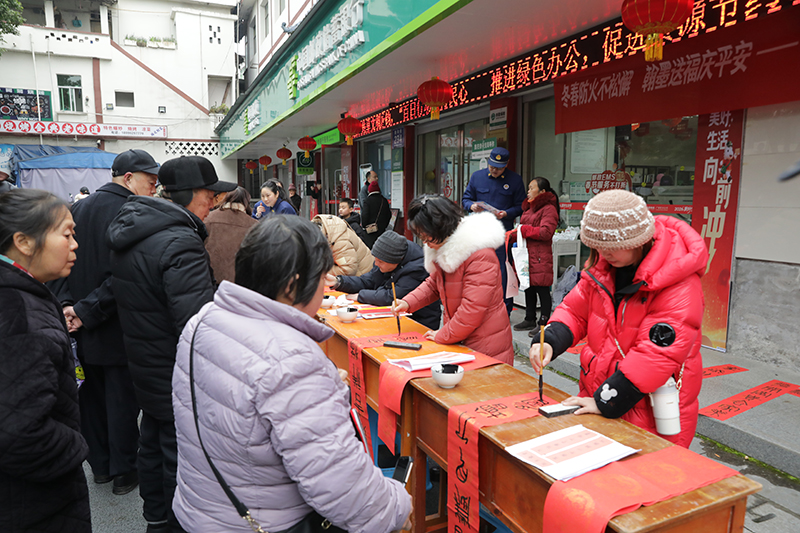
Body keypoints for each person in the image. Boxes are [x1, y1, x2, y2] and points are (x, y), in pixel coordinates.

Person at [171, 216, 412, 533]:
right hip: (265, 521)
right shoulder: (291, 359)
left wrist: (317, 391)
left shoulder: (203, 320)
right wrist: (397, 508)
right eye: (321, 279)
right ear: (291, 286)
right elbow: (341, 484)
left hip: (200, 508)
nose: (323, 289)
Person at [107, 155, 236, 533]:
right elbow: (194, 321)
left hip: (145, 358)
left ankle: (156, 517)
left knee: (152, 438)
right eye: (209, 195)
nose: (213, 203)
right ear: (189, 194)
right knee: (179, 452)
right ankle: (177, 523)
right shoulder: (180, 241)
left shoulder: (137, 230)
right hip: (175, 364)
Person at [529, 190, 707, 448]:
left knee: (644, 470)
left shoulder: (678, 284)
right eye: (597, 246)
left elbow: (655, 356)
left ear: (640, 240)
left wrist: (605, 401)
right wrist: (549, 340)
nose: (604, 253)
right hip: (601, 394)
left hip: (648, 408)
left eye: (611, 247)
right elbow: (575, 310)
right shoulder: (603, 269)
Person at [52, 149, 160, 498]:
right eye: (150, 181)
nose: (154, 188)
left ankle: (99, 466)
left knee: (91, 399)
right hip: (119, 324)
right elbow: (126, 276)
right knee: (122, 401)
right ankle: (124, 471)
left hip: (80, 327)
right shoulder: (135, 213)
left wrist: (68, 307)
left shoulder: (78, 209)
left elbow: (60, 263)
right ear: (128, 178)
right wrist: (86, 309)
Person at [0, 189, 91, 533]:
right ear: (23, 242)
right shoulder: (17, 313)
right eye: (66, 234)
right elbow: (20, 433)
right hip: (32, 505)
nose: (75, 245)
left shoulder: (23, 293)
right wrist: (74, 447)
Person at [393, 195, 514, 364]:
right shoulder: (445, 247)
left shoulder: (480, 254)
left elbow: (472, 309)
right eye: (422, 237)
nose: (425, 243)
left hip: (485, 345)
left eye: (427, 237)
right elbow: (434, 284)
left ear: (441, 227)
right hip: (461, 338)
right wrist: (407, 302)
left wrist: (444, 334)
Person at [330, 230, 441, 330]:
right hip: (393, 317)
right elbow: (368, 280)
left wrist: (360, 295)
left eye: (381, 262)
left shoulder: (417, 268)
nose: (376, 264)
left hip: (419, 322)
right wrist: (338, 282)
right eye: (376, 260)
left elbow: (391, 297)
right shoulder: (384, 258)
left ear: (397, 261)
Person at [462, 147, 526, 313]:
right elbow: (466, 199)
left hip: (501, 232)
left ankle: (504, 308)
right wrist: (471, 206)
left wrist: (506, 213)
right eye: (492, 166)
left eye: (498, 167)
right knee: (478, 267)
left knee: (502, 269)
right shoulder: (477, 177)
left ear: (506, 165)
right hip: (479, 231)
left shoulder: (515, 180)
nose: (494, 170)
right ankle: (479, 305)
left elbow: (521, 206)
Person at [510, 177, 560, 335]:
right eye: (529, 188)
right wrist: (513, 235)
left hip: (540, 255)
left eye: (532, 188)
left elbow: (546, 232)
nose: (528, 191)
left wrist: (524, 230)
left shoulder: (549, 209)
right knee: (529, 286)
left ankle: (544, 322)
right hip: (527, 254)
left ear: (542, 191)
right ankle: (529, 318)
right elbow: (523, 229)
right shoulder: (529, 208)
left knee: (542, 288)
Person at [204, 186, 257, 284]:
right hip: (241, 283)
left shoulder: (208, 219)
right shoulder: (254, 225)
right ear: (246, 201)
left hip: (211, 280)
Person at [360, 180, 392, 248]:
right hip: (381, 231)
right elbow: (389, 215)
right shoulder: (384, 200)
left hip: (370, 232)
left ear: (369, 191)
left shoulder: (367, 201)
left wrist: (365, 226)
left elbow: (365, 215)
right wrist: (384, 226)